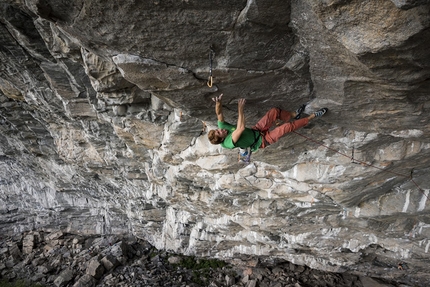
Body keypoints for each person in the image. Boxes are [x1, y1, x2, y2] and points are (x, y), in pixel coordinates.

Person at [207, 94, 327, 152]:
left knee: (274, 112)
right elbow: (241, 128)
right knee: (287, 127)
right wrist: (240, 109)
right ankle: (312, 116)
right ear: (222, 139)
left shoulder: (222, 130)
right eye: (220, 132)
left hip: (255, 131)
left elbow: (219, 115)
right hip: (262, 141)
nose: (221, 130)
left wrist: (218, 103)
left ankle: (294, 115)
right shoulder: (228, 142)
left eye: (218, 130)